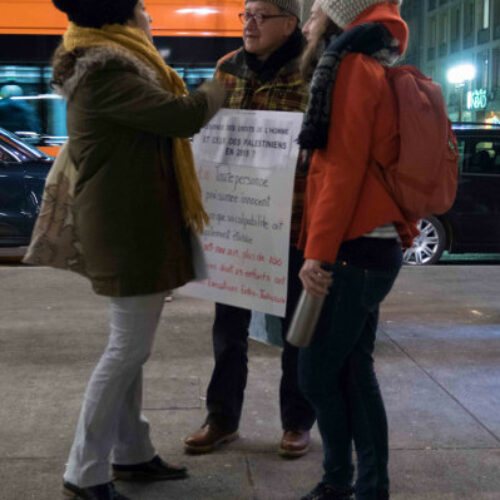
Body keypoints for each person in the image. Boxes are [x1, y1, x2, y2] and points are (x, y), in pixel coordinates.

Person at [49, 1, 224, 499]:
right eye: (142, 6)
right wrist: (220, 86)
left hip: (133, 225)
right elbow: (181, 116)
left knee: (130, 349)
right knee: (126, 349)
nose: (149, 13)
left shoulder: (111, 66)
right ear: (122, 19)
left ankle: (130, 452)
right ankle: (83, 471)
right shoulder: (107, 72)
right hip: (127, 230)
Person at [184, 0, 316, 458]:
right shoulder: (226, 69)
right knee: (228, 330)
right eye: (246, 14)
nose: (249, 24)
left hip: (296, 223)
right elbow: (204, 128)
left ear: (290, 22)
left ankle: (297, 422)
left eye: (261, 14)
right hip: (238, 223)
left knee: (296, 331)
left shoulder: (313, 69)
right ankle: (221, 418)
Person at [296, 1, 417, 499]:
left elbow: (341, 169)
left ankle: (349, 484)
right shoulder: (376, 62)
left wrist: (316, 253)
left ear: (341, 16)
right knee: (352, 368)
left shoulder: (348, 67)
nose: (307, 24)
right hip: (373, 243)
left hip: (354, 247)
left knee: (316, 372)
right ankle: (355, 485)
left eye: (316, 11)